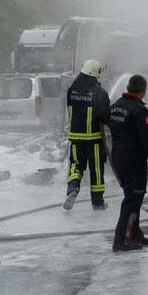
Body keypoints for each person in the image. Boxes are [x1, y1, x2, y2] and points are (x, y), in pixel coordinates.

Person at [109, 75, 148, 252]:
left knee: (132, 197)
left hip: (119, 158)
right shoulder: (139, 111)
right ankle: (122, 240)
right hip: (134, 161)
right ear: (143, 91)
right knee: (133, 200)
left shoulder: (117, 106)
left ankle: (135, 233)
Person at [63, 59, 110, 210]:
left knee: (76, 165)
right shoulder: (99, 93)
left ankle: (73, 188)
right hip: (94, 138)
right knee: (96, 169)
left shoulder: (71, 90)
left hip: (75, 137)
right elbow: (105, 116)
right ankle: (97, 202)